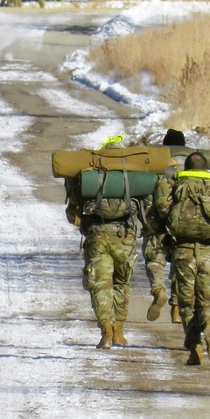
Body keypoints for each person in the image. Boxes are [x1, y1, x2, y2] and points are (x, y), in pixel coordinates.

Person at [154, 151, 210, 365]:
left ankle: (194, 344)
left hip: (183, 252)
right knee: (209, 300)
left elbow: (161, 210)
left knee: (187, 302)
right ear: (206, 168)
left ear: (185, 167)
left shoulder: (177, 183)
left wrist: (166, 182)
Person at [64, 147, 147, 350]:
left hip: (97, 238)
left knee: (100, 286)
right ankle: (119, 331)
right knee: (121, 284)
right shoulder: (133, 178)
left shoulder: (89, 178)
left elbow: (72, 213)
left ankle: (106, 333)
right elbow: (148, 208)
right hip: (125, 238)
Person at [141, 128, 192, 323]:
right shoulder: (191, 164)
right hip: (183, 222)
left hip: (158, 223)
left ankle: (159, 290)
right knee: (180, 263)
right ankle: (177, 308)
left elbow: (146, 192)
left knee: (154, 261)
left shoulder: (158, 162)